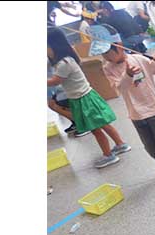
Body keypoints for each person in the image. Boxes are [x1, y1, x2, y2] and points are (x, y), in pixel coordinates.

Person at [95, 24, 155, 183]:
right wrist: (127, 75)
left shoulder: (139, 59)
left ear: (118, 46)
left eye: (107, 52)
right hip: (135, 113)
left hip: (153, 108)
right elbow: (120, 88)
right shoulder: (108, 68)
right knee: (150, 146)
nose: (105, 57)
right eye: (101, 54)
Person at [47, 27, 130, 168]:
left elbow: (55, 81)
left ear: (54, 45)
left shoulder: (63, 64)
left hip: (82, 99)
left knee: (96, 129)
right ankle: (120, 144)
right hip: (86, 96)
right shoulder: (68, 58)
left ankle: (108, 155)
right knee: (103, 124)